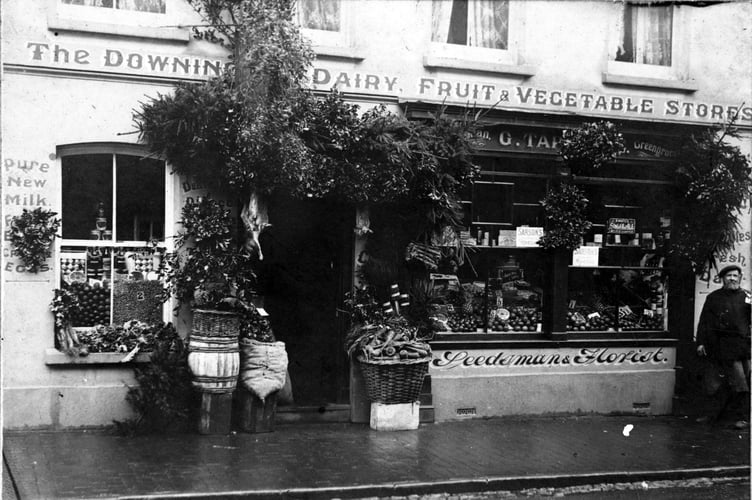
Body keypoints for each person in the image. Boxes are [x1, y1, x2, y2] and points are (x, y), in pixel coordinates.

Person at [696, 264, 751, 429]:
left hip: (741, 348)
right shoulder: (714, 297)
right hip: (717, 346)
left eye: (735, 276)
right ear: (722, 279)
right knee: (714, 383)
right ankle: (712, 416)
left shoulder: (747, 297)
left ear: (740, 278)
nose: (732, 279)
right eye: (729, 276)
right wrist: (700, 342)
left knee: (741, 382)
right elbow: (704, 322)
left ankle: (743, 418)